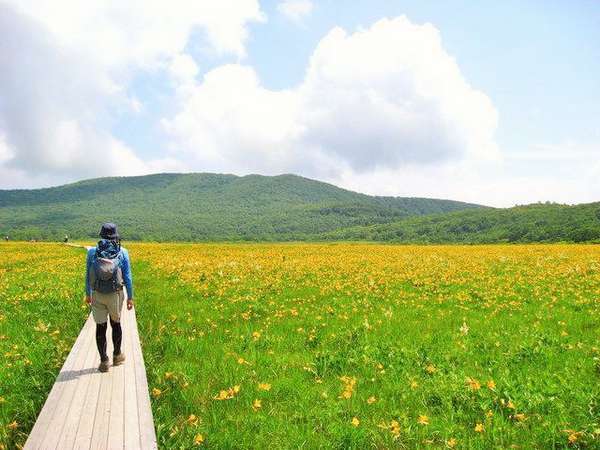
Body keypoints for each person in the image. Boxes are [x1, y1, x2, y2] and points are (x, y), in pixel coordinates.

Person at [85, 223, 134, 372]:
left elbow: (88, 275)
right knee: (116, 323)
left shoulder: (92, 252)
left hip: (97, 294)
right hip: (115, 294)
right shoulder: (122, 252)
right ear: (115, 235)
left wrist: (88, 294)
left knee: (100, 327)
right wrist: (130, 297)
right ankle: (117, 355)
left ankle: (104, 361)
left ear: (101, 235)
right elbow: (127, 277)